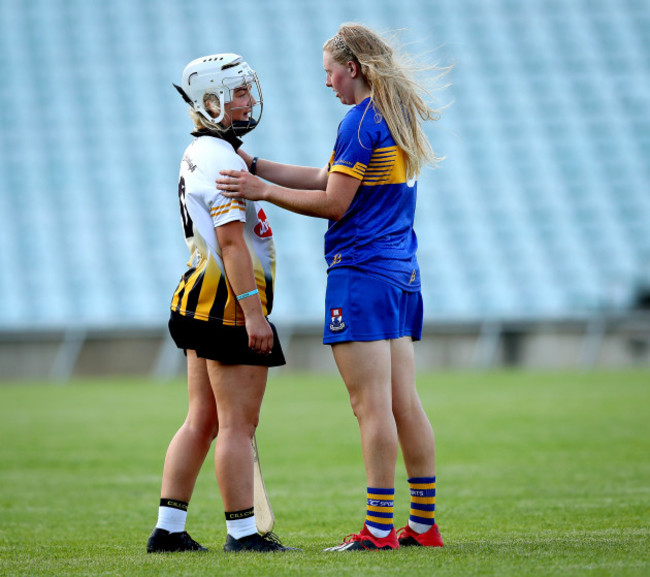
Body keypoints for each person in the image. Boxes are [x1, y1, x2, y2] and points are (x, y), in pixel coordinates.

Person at [217, 24, 448, 551]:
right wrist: (257, 167)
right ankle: (422, 525)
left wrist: (263, 191)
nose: (327, 83)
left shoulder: (358, 120)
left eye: (330, 72)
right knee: (403, 403)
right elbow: (329, 178)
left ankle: (379, 530)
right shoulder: (395, 115)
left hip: (361, 271)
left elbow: (335, 204)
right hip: (401, 273)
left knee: (371, 407)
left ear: (354, 69)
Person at [146, 53, 296, 554]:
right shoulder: (222, 158)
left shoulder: (203, 151)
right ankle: (243, 533)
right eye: (238, 94)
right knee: (237, 424)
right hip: (227, 309)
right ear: (211, 100)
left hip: (195, 301)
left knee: (202, 421)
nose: (249, 101)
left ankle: (168, 530)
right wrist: (254, 314)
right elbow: (232, 244)